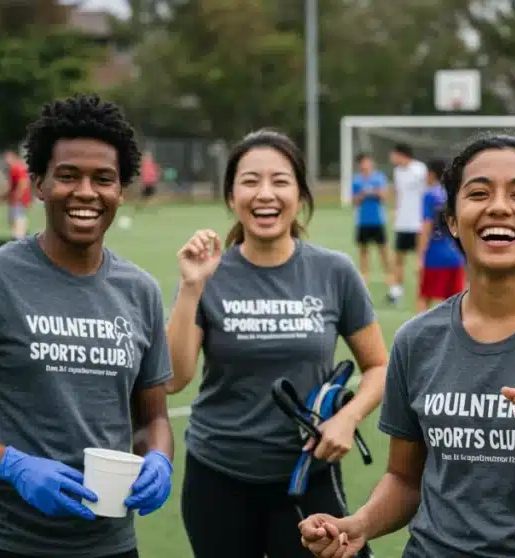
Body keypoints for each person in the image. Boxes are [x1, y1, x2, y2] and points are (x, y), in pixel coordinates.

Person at [299, 135, 515, 558]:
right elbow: (405, 480)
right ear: (452, 220)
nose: (498, 207)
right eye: (478, 193)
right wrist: (359, 525)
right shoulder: (416, 340)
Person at [0, 93, 176, 558]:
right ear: (37, 183)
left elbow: (153, 417)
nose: (85, 192)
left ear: (120, 190)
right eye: (67, 176)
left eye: (103, 179)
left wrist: (158, 456)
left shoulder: (140, 291)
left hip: (107, 545)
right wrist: (11, 466)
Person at [166, 128, 389, 558]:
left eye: (280, 181)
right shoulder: (207, 275)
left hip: (308, 475)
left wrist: (348, 418)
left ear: (300, 193)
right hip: (218, 474)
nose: (265, 194)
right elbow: (174, 379)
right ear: (231, 196)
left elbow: (379, 366)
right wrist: (191, 288)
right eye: (250, 181)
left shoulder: (334, 272)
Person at [416, 158, 465, 312]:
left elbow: (426, 226)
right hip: (456, 255)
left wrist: (420, 256)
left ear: (432, 174)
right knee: (455, 302)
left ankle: (418, 334)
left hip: (435, 255)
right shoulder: (455, 195)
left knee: (424, 298)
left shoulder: (429, 195)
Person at [386, 143, 427, 305]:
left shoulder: (420, 169)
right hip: (402, 223)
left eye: (394, 155)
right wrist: (396, 211)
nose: (392, 158)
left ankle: (422, 291)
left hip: (418, 223)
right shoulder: (397, 172)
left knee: (420, 259)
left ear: (401, 154)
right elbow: (398, 194)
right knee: (399, 259)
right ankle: (396, 292)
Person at [351, 152, 392, 284]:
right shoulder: (356, 180)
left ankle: (389, 275)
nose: (366, 165)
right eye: (363, 162)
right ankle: (364, 276)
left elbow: (385, 196)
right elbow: (354, 200)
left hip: (378, 220)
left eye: (368, 162)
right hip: (363, 220)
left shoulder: (379, 178)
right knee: (363, 250)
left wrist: (373, 192)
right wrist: (362, 195)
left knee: (383, 249)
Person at [3, 149, 33, 239]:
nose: (6, 161)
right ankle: (20, 237)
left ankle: (20, 239)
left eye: (7, 158)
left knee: (18, 219)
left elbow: (24, 183)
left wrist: (17, 196)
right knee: (13, 220)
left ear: (13, 157)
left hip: (19, 200)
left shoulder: (18, 168)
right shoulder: (14, 168)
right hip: (16, 200)